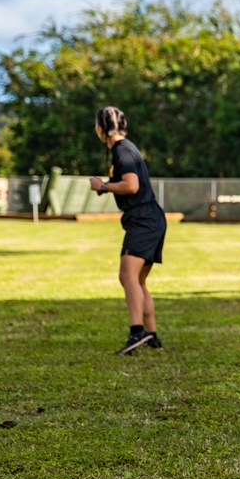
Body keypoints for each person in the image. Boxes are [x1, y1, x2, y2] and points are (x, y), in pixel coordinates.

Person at [89, 106, 167, 355]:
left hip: (143, 219)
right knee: (139, 280)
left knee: (127, 276)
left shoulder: (122, 151)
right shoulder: (127, 148)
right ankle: (152, 335)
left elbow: (131, 186)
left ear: (102, 128)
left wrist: (102, 186)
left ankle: (137, 332)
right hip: (149, 218)